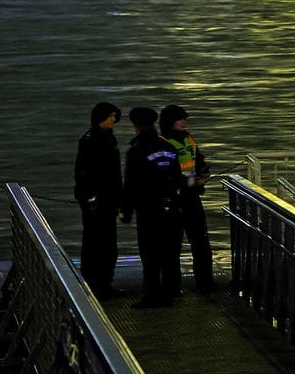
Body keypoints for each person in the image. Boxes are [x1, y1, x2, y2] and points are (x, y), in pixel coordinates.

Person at [120, 107, 184, 309]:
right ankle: (171, 291)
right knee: (169, 252)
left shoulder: (137, 150)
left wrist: (127, 211)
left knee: (150, 254)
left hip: (148, 209)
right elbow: (177, 177)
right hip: (171, 206)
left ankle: (152, 295)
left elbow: (131, 184)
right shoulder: (168, 147)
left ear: (136, 125)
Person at [159, 104, 214, 294]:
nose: (184, 122)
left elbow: (198, 160)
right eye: (180, 119)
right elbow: (166, 174)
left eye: (185, 119)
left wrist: (203, 172)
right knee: (172, 246)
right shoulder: (163, 142)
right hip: (174, 200)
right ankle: (172, 288)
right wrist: (194, 180)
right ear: (169, 121)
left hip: (191, 197)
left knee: (201, 243)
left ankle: (205, 284)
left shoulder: (188, 138)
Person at [73, 102, 123, 299]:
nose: (114, 119)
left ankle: (103, 283)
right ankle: (96, 284)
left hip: (107, 201)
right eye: (111, 116)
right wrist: (90, 198)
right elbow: (83, 173)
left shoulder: (105, 138)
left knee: (106, 244)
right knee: (96, 244)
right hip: (98, 203)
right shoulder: (91, 140)